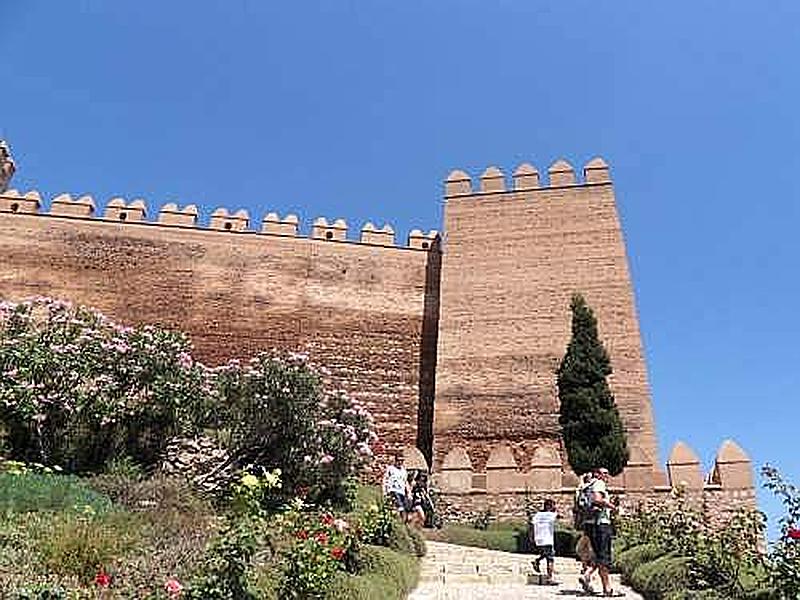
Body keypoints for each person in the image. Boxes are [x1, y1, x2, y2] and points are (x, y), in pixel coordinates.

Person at [587, 467, 622, 597]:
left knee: (599, 556)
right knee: (604, 557)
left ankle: (590, 576)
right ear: (597, 474)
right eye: (604, 473)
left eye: (608, 473)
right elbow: (597, 499)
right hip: (601, 524)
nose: (607, 475)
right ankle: (607, 588)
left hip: (592, 524)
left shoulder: (588, 485)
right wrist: (613, 507)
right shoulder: (599, 483)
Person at [575, 473, 598, 594]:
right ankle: (587, 576)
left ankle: (587, 580)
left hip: (584, 524)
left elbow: (577, 508)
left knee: (585, 552)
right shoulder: (594, 488)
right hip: (595, 523)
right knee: (596, 553)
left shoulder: (579, 490)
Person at [530, 498, 559, 585]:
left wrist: (531, 536)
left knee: (546, 554)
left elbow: (532, 525)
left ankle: (536, 561)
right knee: (550, 559)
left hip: (539, 538)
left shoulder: (538, 515)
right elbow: (560, 516)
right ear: (549, 506)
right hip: (548, 539)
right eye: (553, 505)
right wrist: (556, 511)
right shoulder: (551, 514)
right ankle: (549, 578)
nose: (555, 507)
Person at [382, 454, 409, 520]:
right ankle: (402, 521)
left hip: (402, 491)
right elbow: (385, 479)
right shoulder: (390, 469)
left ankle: (400, 521)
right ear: (395, 461)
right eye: (398, 460)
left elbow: (405, 482)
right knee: (400, 507)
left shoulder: (404, 471)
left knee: (402, 507)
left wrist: (408, 492)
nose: (400, 462)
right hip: (393, 490)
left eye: (402, 461)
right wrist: (384, 491)